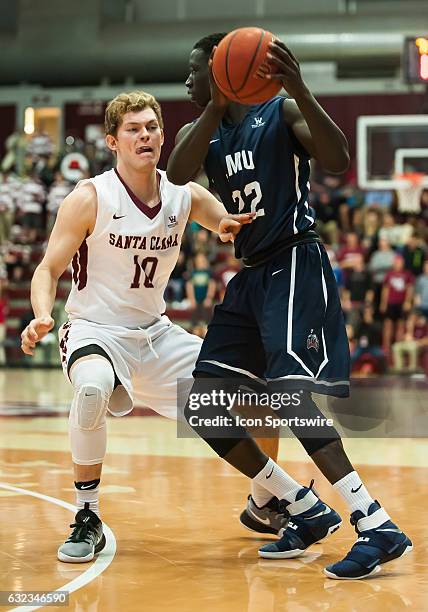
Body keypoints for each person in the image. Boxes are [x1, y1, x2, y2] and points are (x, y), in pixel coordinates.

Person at [167, 33, 412, 579]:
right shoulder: (198, 131)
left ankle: (375, 525)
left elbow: (339, 159)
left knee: (288, 396)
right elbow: (179, 175)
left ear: (222, 70)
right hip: (250, 276)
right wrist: (215, 105)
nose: (186, 81)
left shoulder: (282, 112)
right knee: (203, 403)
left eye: (194, 70)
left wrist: (298, 86)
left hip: (294, 262)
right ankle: (302, 506)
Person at [20, 90, 253, 563]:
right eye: (133, 129)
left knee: (238, 389)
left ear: (163, 135)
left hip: (155, 332)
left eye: (152, 127)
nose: (145, 135)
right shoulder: (90, 196)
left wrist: (230, 226)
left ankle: (281, 496)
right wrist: (41, 313)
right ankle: (87, 515)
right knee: (91, 390)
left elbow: (221, 222)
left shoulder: (183, 193)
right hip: (94, 329)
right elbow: (47, 269)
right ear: (112, 141)